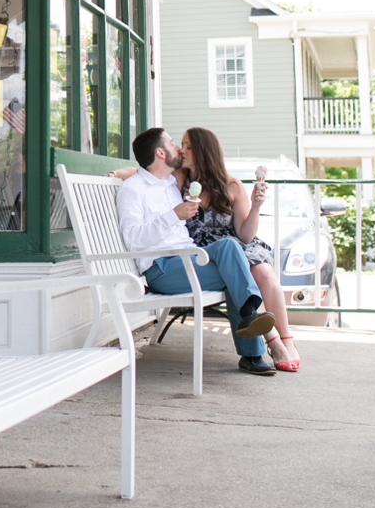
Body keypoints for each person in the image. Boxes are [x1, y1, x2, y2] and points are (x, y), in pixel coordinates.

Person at [115, 127, 277, 376]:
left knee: (231, 249)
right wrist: (173, 216)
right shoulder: (134, 190)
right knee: (234, 271)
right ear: (160, 153)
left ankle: (249, 320)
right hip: (161, 268)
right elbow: (134, 239)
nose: (179, 149)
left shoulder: (170, 183)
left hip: (187, 259)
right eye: (173, 144)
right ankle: (252, 350)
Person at [178, 128, 300, 372]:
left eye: (188, 146)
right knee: (239, 267)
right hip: (207, 251)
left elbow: (245, 235)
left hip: (237, 243)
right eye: (181, 144)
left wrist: (255, 206)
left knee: (264, 273)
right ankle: (272, 339)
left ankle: (286, 340)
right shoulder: (180, 178)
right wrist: (116, 172)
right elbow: (142, 173)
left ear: (204, 152)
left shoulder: (232, 185)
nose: (182, 150)